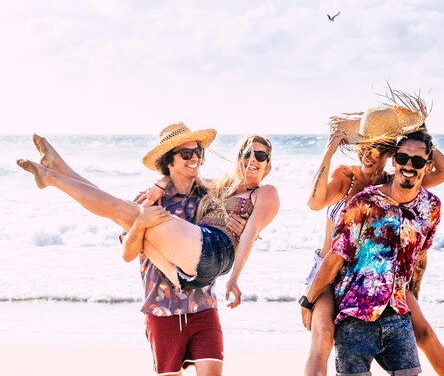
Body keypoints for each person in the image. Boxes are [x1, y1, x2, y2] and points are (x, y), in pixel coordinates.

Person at [17, 126, 280, 376]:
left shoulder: (210, 193)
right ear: (170, 161)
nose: (195, 159)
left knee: (120, 211)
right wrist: (153, 199)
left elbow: (246, 225)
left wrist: (235, 274)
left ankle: (53, 175)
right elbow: (128, 254)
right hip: (164, 304)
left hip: (202, 298)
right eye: (186, 154)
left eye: (198, 153)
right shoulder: (159, 197)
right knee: (124, 213)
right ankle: (58, 169)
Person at [303, 91, 444, 376]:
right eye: (362, 147)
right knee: (323, 338)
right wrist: (328, 153)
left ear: (390, 153)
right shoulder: (347, 177)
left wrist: (418, 135)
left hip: (379, 275)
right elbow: (314, 203)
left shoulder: (398, 179)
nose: (367, 154)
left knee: (426, 334)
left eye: (377, 148)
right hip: (331, 271)